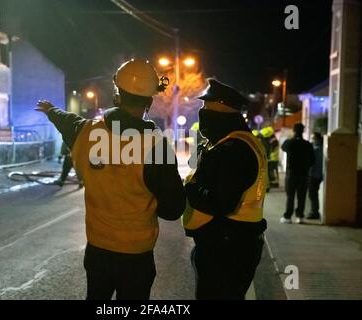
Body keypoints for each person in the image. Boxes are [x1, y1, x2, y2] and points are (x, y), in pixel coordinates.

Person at [35, 59, 186, 300]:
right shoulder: (157, 147)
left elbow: (67, 121)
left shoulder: (85, 132)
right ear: (149, 101)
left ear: (117, 96)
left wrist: (51, 111)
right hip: (136, 256)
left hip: (97, 251)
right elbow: (173, 209)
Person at [182, 78, 268, 300]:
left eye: (206, 110)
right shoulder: (239, 141)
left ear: (222, 115)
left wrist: (189, 189)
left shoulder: (234, 150)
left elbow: (220, 202)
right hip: (233, 242)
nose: (202, 115)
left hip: (227, 247)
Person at [280, 123, 315, 224]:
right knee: (302, 196)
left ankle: (287, 217)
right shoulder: (308, 145)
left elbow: (283, 147)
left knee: (290, 196)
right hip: (304, 174)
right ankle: (299, 216)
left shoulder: (289, 143)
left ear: (294, 130)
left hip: (291, 174)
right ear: (303, 131)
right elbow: (313, 160)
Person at [307, 132, 324, 219]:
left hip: (314, 175)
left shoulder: (316, 149)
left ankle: (314, 212)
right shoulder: (322, 148)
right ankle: (315, 211)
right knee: (313, 194)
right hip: (319, 175)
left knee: (312, 194)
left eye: (313, 138)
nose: (312, 140)